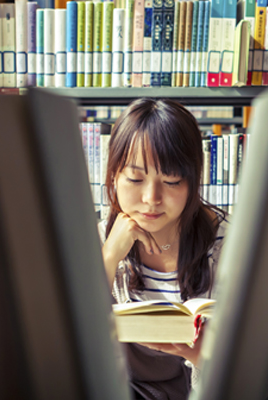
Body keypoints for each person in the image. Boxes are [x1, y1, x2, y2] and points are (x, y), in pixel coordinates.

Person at [98, 97, 228, 399]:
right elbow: (68, 351)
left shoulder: (230, 247)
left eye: (171, 181)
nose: (151, 198)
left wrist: (205, 356)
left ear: (193, 181)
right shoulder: (95, 239)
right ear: (114, 176)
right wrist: (109, 257)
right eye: (135, 178)